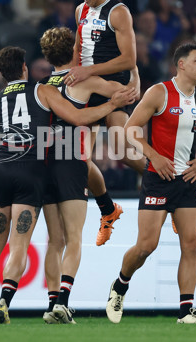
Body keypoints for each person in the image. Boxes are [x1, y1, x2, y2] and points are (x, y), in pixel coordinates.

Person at [0, 46, 135, 325]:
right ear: (24, 68)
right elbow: (76, 118)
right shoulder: (42, 91)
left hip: (1, 170)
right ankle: (13, 300)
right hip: (35, 170)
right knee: (23, 243)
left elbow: (3, 133)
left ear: (2, 74)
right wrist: (110, 105)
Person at [105, 43, 196, 325]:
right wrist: (153, 156)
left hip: (188, 180)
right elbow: (130, 129)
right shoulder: (159, 92)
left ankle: (186, 312)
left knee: (191, 244)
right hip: (158, 178)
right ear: (181, 65)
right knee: (146, 246)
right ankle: (120, 285)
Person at [38, 27, 136, 324]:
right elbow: (127, 95)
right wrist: (133, 71)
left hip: (43, 163)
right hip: (72, 160)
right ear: (76, 50)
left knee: (54, 241)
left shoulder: (40, 87)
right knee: (74, 239)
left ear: (46, 56)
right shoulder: (88, 81)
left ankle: (52, 302)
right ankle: (63, 301)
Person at [64, 0, 143, 246]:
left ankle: (167, 186)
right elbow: (77, 49)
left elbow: (128, 58)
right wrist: (70, 76)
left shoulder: (118, 12)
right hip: (85, 88)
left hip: (111, 87)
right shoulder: (80, 10)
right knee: (77, 159)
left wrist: (90, 70)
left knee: (122, 149)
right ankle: (108, 209)